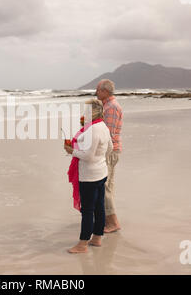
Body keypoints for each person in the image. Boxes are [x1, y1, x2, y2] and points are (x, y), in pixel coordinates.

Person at [64, 99, 113, 254]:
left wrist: (71, 151)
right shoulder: (102, 126)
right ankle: (97, 238)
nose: (83, 113)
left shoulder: (93, 130)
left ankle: (82, 244)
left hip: (90, 176)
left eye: (85, 110)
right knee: (98, 207)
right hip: (101, 172)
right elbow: (110, 148)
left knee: (87, 210)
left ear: (92, 112)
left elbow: (89, 156)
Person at [95, 79, 123, 233]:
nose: (96, 92)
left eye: (98, 90)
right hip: (109, 151)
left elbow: (108, 134)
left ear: (105, 91)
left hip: (109, 151)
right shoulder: (107, 106)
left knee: (104, 186)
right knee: (107, 186)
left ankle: (113, 222)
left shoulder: (111, 107)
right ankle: (108, 220)